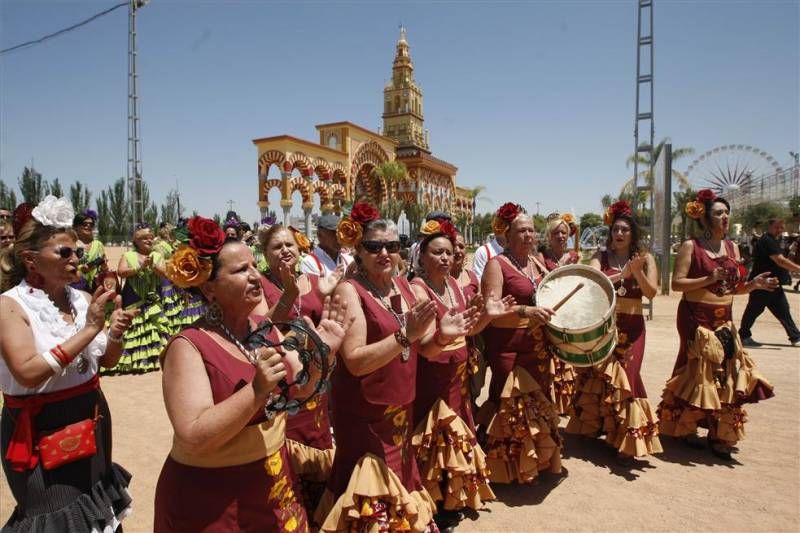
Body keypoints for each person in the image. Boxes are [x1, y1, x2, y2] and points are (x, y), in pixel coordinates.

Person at [154, 216, 351, 531]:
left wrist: (321, 355)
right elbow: (191, 435)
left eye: (253, 267)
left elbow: (300, 389)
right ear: (209, 288)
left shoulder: (264, 329)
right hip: (212, 500)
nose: (255, 277)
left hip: (271, 486)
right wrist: (256, 391)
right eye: (240, 270)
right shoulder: (189, 346)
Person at [317, 203, 472, 532]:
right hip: (364, 416)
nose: (384, 252)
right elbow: (356, 361)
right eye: (374, 246)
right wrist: (405, 336)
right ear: (358, 250)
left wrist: (442, 337)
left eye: (392, 245)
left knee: (400, 489)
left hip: (401, 411)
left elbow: (425, 349)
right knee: (368, 501)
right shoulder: (350, 291)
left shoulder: (405, 288)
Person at [0, 195, 137, 532]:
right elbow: (28, 372)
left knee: (96, 508)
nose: (76, 258)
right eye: (64, 252)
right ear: (31, 259)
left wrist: (114, 334)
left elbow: (105, 361)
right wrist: (91, 329)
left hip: (91, 416)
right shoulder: (11, 306)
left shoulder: (83, 299)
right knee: (55, 516)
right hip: (41, 428)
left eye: (76, 250)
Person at [657, 190, 776, 460]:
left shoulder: (732, 248)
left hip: (725, 316)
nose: (724, 217)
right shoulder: (692, 246)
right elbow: (677, 284)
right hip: (695, 315)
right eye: (718, 213)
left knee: (727, 371)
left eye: (726, 213)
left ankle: (720, 432)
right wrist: (708, 277)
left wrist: (754, 285)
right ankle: (685, 426)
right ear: (706, 219)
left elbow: (734, 288)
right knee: (697, 370)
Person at [410, 218, 510, 530]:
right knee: (434, 439)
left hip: (457, 375)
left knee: (454, 436)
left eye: (449, 253)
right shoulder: (418, 288)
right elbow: (425, 344)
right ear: (422, 257)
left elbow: (467, 332)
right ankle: (434, 502)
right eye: (437, 253)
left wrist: (487, 318)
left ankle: (451, 497)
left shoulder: (455, 285)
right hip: (431, 376)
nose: (444, 258)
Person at [251, 223, 341, 519]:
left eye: (289, 244)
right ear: (265, 254)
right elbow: (260, 330)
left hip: (317, 380)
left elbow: (328, 320)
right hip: (284, 383)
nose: (285, 250)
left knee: (318, 441)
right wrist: (288, 294)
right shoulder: (259, 285)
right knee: (287, 452)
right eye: (276, 247)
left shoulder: (316, 280)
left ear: (300, 247)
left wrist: (329, 292)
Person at [565, 201, 663, 462]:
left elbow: (651, 292)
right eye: (615, 229)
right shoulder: (601, 255)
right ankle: (598, 427)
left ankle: (626, 437)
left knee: (628, 376)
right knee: (599, 375)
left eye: (624, 230)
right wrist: (622, 275)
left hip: (633, 326)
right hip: (605, 325)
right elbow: (591, 281)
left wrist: (637, 272)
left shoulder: (646, 258)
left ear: (633, 234)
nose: (619, 234)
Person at [478, 202, 562, 484]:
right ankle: (508, 468)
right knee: (509, 403)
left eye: (531, 230)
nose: (528, 235)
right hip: (508, 345)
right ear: (507, 235)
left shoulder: (536, 262)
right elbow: (491, 307)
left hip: (536, 346)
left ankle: (534, 462)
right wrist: (526, 311)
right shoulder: (496, 264)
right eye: (521, 230)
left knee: (536, 402)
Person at [106, 223, 171, 374]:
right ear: (137, 241)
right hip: (133, 298)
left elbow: (165, 274)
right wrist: (139, 268)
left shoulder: (157, 256)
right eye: (145, 239)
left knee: (158, 328)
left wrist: (153, 266)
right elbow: (121, 272)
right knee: (133, 329)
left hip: (153, 300)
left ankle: (157, 359)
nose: (149, 241)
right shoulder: (128, 256)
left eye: (150, 238)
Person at [540, 212, 580, 415]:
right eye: (556, 232)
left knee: (567, 351)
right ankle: (551, 401)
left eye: (564, 233)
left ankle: (566, 401)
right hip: (549, 309)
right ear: (549, 235)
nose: (561, 236)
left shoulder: (574, 256)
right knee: (550, 354)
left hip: (568, 310)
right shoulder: (540, 256)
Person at [738, 218, 800, 347]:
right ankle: (743, 335)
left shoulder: (773, 241)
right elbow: (780, 261)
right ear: (769, 227)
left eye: (781, 227)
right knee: (754, 309)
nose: (780, 230)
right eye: (777, 227)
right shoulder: (767, 241)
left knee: (783, 310)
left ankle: (795, 336)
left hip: (772, 283)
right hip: (762, 282)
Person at [71, 209, 106, 293]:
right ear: (76, 226)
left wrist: (104, 266)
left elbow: (104, 269)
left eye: (91, 224)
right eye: (84, 224)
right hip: (75, 286)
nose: (88, 226)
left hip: (95, 286)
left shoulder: (98, 245)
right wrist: (81, 269)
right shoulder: (71, 244)